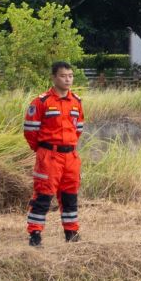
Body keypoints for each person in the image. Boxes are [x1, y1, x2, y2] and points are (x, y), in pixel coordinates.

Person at [23, 60, 84, 246]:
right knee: (43, 195)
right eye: (63, 76)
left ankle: (71, 232)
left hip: (71, 157)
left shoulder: (76, 102)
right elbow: (30, 131)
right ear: (54, 78)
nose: (68, 80)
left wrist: (67, 146)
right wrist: (43, 149)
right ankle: (35, 234)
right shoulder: (41, 102)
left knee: (70, 196)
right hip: (49, 156)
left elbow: (78, 129)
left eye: (70, 76)